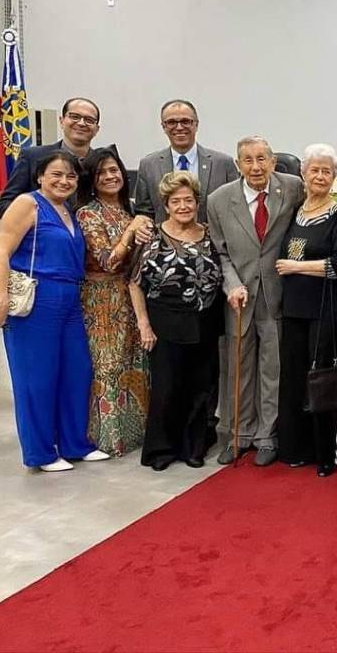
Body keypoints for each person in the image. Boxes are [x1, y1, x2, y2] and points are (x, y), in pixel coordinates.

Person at [0, 152, 109, 471]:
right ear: (39, 176)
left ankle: (75, 443)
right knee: (36, 379)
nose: (64, 181)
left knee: (76, 372)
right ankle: (40, 453)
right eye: (56, 174)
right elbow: (0, 252)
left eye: (70, 176)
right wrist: (1, 298)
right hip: (36, 299)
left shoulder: (67, 210)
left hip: (70, 299)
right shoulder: (28, 203)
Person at [207, 136, 305, 467]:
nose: (256, 166)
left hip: (278, 293)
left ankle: (267, 436)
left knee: (272, 368)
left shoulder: (292, 187)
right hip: (239, 296)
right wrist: (232, 285)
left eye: (262, 158)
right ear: (237, 164)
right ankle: (238, 434)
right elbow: (220, 252)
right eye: (247, 160)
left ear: (273, 161)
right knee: (238, 368)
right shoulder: (219, 200)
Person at [275, 144, 337, 477]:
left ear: (335, 176)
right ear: (303, 173)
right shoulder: (295, 211)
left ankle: (327, 454)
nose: (320, 176)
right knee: (295, 381)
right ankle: (297, 449)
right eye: (314, 170)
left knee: (327, 384)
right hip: (295, 311)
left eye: (327, 171)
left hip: (332, 312)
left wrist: (296, 267)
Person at [129, 172, 223, 471]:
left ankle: (193, 447)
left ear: (197, 202)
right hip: (164, 323)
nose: (183, 206)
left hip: (205, 322)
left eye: (189, 200)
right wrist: (143, 324)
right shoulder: (152, 236)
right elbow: (134, 282)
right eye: (176, 201)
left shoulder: (210, 234)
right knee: (167, 388)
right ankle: (161, 449)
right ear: (166, 205)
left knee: (201, 387)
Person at [76, 148, 152, 456]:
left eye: (114, 170)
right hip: (101, 300)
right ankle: (108, 439)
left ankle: (135, 434)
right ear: (91, 181)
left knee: (134, 364)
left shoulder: (128, 210)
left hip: (131, 296)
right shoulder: (88, 213)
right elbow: (108, 261)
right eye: (102, 173)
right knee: (106, 367)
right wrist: (131, 232)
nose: (110, 177)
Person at [134, 99, 239, 224]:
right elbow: (143, 212)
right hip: (164, 236)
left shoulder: (223, 164)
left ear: (196, 124)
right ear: (164, 127)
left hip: (213, 236)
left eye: (185, 121)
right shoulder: (148, 165)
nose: (179, 127)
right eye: (171, 122)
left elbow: (236, 208)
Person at [0, 98, 104, 217]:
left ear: (96, 129)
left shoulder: (103, 165)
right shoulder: (32, 157)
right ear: (62, 121)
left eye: (89, 120)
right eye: (74, 117)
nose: (81, 123)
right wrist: (40, 221)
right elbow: (5, 204)